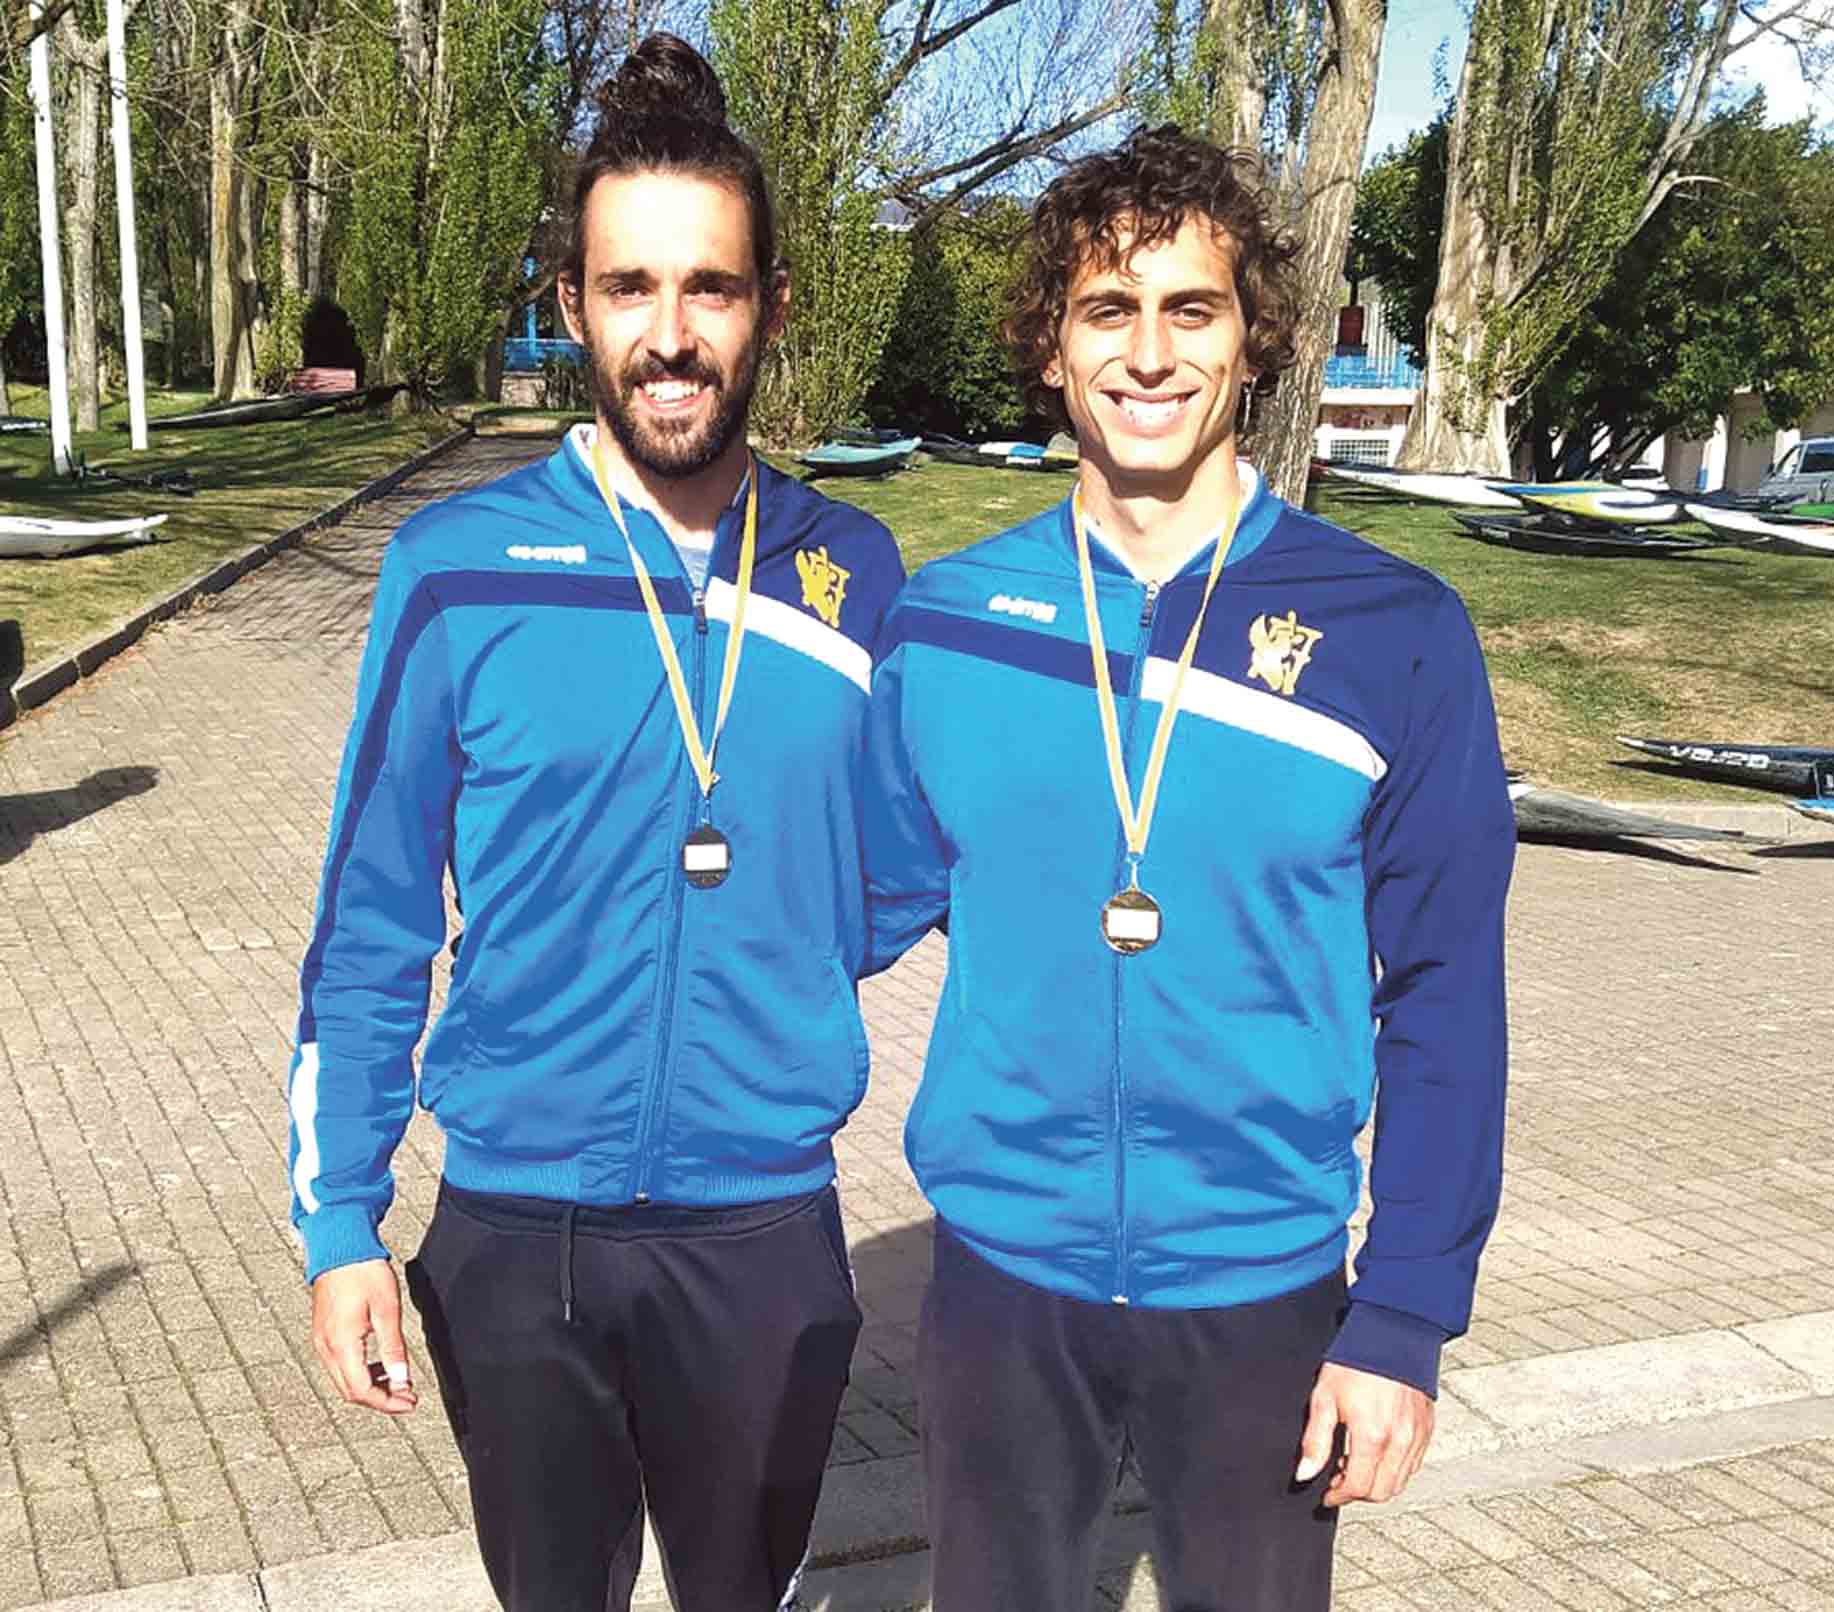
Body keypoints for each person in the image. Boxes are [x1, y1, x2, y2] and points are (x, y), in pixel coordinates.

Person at [861, 124, 1514, 1611]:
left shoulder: (1396, 630)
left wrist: (1404, 1314)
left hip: (1267, 1292)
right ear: (1051, 348)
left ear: (1251, 342)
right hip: (1000, 1286)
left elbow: (1445, 999)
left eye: (1189, 310)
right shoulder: (950, 622)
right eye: (1108, 311)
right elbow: (839, 907)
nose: (1147, 354)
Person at [288, 35, 903, 1612]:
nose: (673, 336)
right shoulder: (455, 568)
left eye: (711, 288)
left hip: (763, 1221)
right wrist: (342, 1219)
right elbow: (371, 914)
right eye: (631, 289)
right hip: (517, 1231)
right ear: (572, 307)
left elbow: (921, 856)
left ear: (768, 304)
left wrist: (783, 956)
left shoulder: (858, 576)